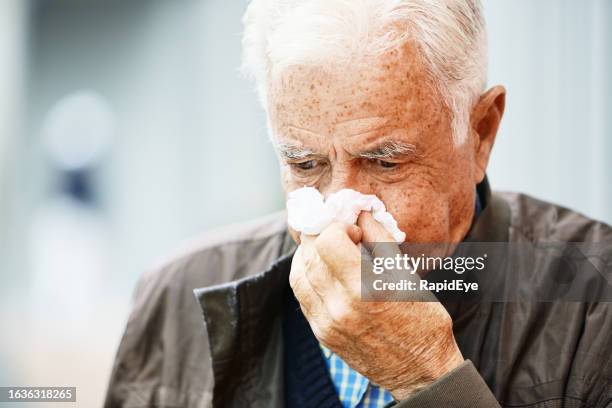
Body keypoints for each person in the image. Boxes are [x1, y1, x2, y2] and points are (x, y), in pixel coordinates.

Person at [104, 1, 612, 407]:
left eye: (384, 163)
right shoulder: (176, 296)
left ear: (480, 133)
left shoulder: (595, 300)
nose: (340, 214)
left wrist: (428, 376)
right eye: (305, 164)